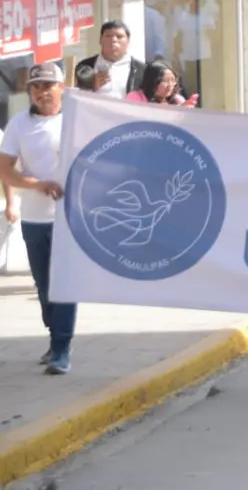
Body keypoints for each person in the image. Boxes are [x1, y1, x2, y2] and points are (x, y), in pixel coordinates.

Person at [0, 63, 73, 374]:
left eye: (49, 85)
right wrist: (37, 185)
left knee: (66, 285)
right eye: (36, 86)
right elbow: (5, 170)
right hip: (34, 219)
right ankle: (54, 336)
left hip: (70, 220)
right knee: (44, 286)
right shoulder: (19, 124)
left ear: (61, 89)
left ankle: (61, 349)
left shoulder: (75, 120)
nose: (43, 91)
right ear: (29, 91)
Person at [76, 20, 146, 99]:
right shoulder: (85, 66)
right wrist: (90, 86)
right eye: (108, 36)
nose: (113, 40)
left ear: (128, 41)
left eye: (119, 36)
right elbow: (74, 95)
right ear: (100, 40)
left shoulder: (141, 70)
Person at [125, 60, 196, 106]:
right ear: (152, 81)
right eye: (165, 81)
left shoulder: (178, 100)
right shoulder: (135, 97)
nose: (170, 85)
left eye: (173, 80)